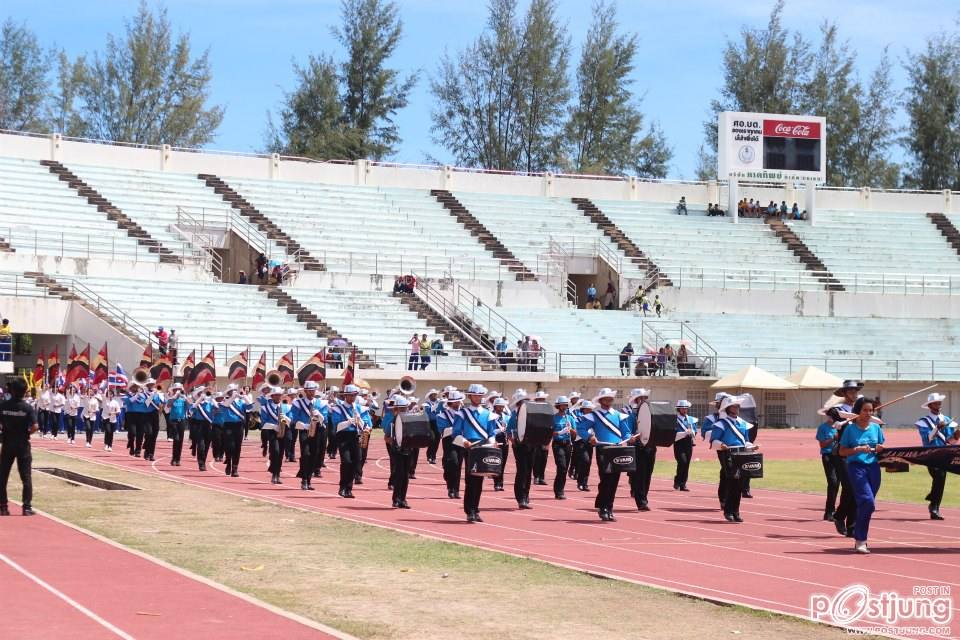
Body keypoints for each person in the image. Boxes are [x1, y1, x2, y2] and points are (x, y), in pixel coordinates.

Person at [579, 388, 635, 522]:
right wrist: (589, 437)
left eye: (610, 398)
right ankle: (603, 508)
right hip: (602, 449)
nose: (609, 400)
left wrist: (629, 438)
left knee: (614, 480)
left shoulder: (618, 415)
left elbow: (626, 432)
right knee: (605, 479)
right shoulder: (594, 415)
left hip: (617, 450)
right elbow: (580, 428)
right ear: (601, 400)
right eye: (606, 398)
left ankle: (609, 508)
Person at [838, 397, 885, 554]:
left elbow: (882, 447)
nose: (868, 413)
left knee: (866, 506)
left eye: (870, 410)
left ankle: (860, 536)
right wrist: (857, 449)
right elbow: (842, 451)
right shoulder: (850, 430)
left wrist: (879, 449)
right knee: (868, 502)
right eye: (865, 410)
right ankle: (860, 540)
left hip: (874, 469)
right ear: (857, 411)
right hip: (856, 468)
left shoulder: (876, 428)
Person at [710, 394, 759, 523]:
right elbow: (713, 441)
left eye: (738, 406)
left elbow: (746, 441)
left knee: (740, 484)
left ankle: (736, 511)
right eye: (734, 406)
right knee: (732, 482)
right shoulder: (721, 424)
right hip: (728, 454)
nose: (737, 408)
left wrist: (752, 447)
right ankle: (728, 511)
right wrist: (721, 445)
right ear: (727, 408)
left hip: (742, 454)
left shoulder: (743, 423)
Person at [455, 384, 497, 522]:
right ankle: (469, 510)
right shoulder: (462, 413)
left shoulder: (488, 414)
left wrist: (493, 442)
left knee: (479, 480)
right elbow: (455, 433)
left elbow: (491, 433)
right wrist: (464, 441)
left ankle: (476, 509)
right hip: (470, 448)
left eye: (480, 396)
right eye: (475, 395)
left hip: (483, 448)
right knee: (470, 480)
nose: (478, 398)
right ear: (470, 396)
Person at [915, 393, 958, 520]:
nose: (938, 405)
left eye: (939, 403)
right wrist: (937, 428)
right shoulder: (924, 422)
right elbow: (928, 439)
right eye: (935, 403)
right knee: (939, 476)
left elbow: (950, 442)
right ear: (930, 405)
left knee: (941, 478)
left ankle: (934, 507)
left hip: (945, 454)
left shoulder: (947, 419)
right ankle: (933, 503)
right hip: (931, 454)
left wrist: (956, 436)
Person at [0, 378, 38, 516]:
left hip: (7, 443)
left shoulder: (3, 405)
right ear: (24, 391)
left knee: (3, 476)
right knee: (26, 477)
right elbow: (35, 426)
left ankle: (3, 507)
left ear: (12, 390)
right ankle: (26, 508)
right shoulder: (27, 408)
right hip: (22, 444)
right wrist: (27, 432)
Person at [331, 384, 371, 498]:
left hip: (356, 436)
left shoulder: (359, 408)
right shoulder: (338, 408)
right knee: (346, 462)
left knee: (357, 461)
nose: (353, 397)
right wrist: (349, 422)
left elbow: (367, 424)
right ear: (345, 396)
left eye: (354, 395)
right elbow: (336, 426)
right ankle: (342, 487)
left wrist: (361, 422)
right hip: (343, 436)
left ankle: (349, 488)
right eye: (350, 395)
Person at [624, 388, 655, 511]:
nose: (644, 400)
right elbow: (627, 432)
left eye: (645, 398)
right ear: (636, 400)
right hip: (638, 448)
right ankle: (641, 501)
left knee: (647, 475)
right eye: (641, 398)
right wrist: (630, 437)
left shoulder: (652, 413)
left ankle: (643, 497)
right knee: (639, 476)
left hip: (650, 448)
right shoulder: (631, 415)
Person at [382, 396, 413, 508]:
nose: (404, 410)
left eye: (405, 408)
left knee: (406, 476)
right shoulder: (392, 421)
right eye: (401, 408)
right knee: (399, 474)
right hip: (397, 451)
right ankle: (396, 499)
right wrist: (395, 442)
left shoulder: (410, 420)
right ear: (396, 409)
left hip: (408, 450)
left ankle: (403, 499)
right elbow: (386, 437)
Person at [438, 389, 464, 498]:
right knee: (452, 462)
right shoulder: (443, 415)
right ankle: (450, 487)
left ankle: (456, 490)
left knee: (458, 465)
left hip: (461, 440)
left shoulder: (463, 414)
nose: (458, 403)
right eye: (456, 401)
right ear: (451, 402)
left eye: (459, 401)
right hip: (449, 441)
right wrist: (456, 428)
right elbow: (443, 431)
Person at [550, 396, 576, 500]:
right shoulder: (554, 418)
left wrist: (571, 430)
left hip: (567, 444)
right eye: (562, 404)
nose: (564, 406)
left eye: (566, 405)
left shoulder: (570, 418)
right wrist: (559, 432)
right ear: (558, 406)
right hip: (558, 443)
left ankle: (560, 490)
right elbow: (549, 432)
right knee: (561, 466)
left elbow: (575, 434)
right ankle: (558, 491)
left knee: (564, 469)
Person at [673, 400, 698, 491]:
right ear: (678, 409)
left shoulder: (691, 419)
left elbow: (695, 430)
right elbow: (673, 433)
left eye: (686, 408)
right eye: (683, 408)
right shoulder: (674, 419)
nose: (685, 410)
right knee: (682, 462)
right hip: (679, 443)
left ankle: (683, 484)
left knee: (687, 464)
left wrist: (693, 432)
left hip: (688, 443)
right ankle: (677, 481)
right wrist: (684, 433)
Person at [165, 383, 188, 466]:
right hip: (173, 420)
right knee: (176, 439)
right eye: (176, 389)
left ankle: (177, 459)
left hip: (181, 421)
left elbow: (190, 404)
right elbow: (168, 405)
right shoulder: (171, 398)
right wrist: (175, 397)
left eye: (179, 389)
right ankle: (174, 458)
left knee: (180, 440)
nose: (177, 391)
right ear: (173, 390)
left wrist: (184, 396)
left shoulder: (183, 399)